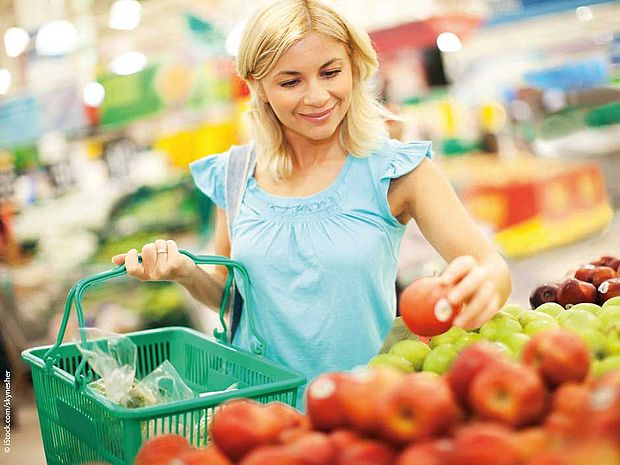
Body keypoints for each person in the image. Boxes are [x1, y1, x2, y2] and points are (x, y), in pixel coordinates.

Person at [112, 0, 512, 401]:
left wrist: (484, 286)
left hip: (363, 411)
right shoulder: (234, 175)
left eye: (330, 72)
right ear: (259, 87)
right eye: (290, 82)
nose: (317, 96)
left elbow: (491, 265)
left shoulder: (397, 171)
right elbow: (231, 301)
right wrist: (186, 272)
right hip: (260, 418)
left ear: (354, 67)